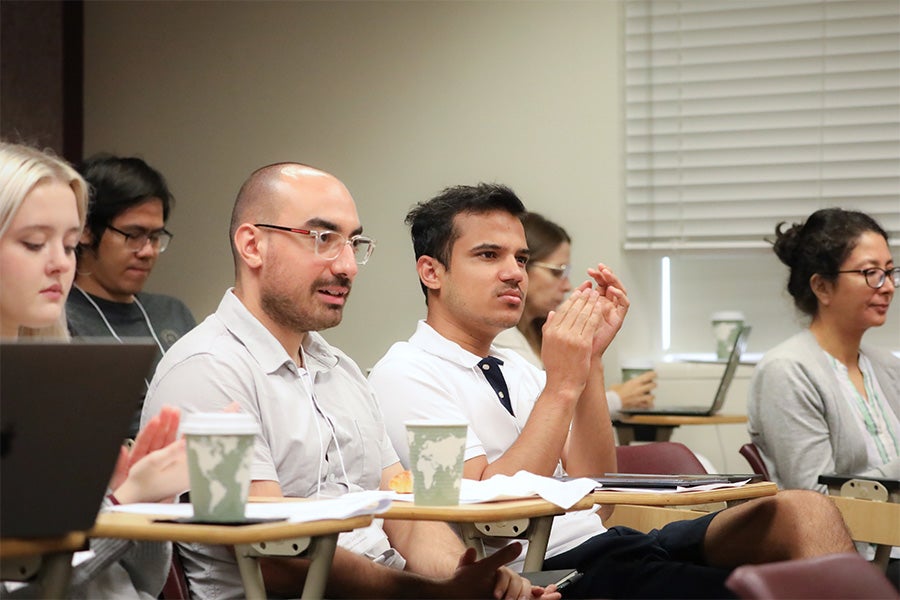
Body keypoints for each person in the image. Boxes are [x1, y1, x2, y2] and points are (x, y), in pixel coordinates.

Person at [368, 183, 857, 599]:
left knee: (802, 510)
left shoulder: (515, 365)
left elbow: (596, 491)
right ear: (431, 271)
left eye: (520, 257)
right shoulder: (406, 374)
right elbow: (493, 512)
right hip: (551, 568)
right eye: (488, 255)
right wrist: (561, 384)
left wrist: (591, 363)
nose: (514, 272)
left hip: (608, 541)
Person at [140, 163, 558, 600]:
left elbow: (406, 522)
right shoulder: (208, 371)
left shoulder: (340, 370)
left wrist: (469, 581)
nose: (348, 266)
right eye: (323, 239)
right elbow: (271, 555)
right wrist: (426, 594)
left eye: (353, 243)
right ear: (252, 245)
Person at [0, 141, 188, 599]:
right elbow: (23, 585)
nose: (61, 263)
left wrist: (144, 503)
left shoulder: (56, 385)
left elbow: (140, 579)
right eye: (33, 243)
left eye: (68, 244)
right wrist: (123, 506)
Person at [748, 208, 900, 492]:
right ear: (822, 287)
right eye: (871, 273)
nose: (888, 286)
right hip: (839, 535)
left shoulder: (888, 367)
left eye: (890, 272)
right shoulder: (787, 371)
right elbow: (815, 498)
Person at [67, 154, 196, 435]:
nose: (148, 251)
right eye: (132, 234)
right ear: (86, 231)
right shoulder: (57, 320)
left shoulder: (173, 313)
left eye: (154, 237)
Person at [493, 212, 656, 414]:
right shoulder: (500, 335)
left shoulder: (543, 332)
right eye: (557, 271)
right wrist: (616, 400)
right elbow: (542, 411)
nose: (567, 285)